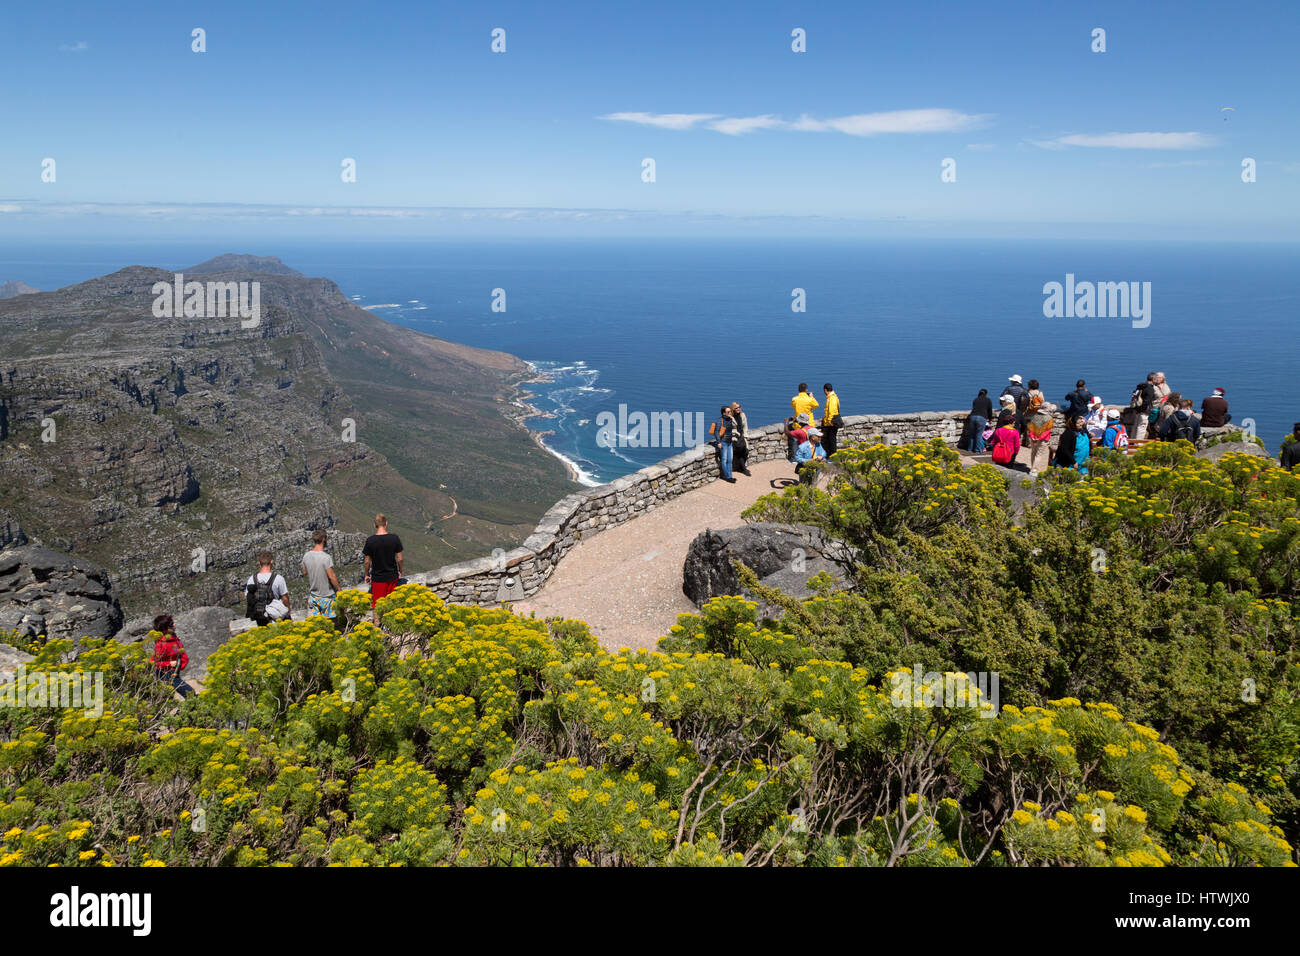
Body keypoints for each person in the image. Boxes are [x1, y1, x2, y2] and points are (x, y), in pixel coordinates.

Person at [363, 514, 404, 612]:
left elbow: (367, 561)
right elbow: (400, 559)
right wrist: (400, 571)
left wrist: (366, 574)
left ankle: (377, 625)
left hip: (378, 579)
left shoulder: (370, 541)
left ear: (374, 525)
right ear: (386, 524)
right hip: (392, 577)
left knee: (377, 606)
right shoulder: (394, 538)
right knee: (393, 605)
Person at [149, 614, 195, 698]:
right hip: (168, 674)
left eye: (173, 623)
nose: (174, 625)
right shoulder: (162, 644)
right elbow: (153, 662)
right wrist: (169, 663)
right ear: (165, 629)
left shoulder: (173, 637)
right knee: (190, 694)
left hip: (175, 672)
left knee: (170, 697)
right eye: (171, 624)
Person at [302, 529, 341, 619]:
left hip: (314, 597)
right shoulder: (326, 557)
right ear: (324, 539)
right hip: (327, 597)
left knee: (318, 625)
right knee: (329, 624)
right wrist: (339, 590)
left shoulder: (306, 556)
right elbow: (332, 576)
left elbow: (304, 572)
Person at [245, 552, 290, 626]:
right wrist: (288, 611)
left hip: (259, 619)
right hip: (275, 617)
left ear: (259, 563)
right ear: (271, 562)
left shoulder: (252, 579)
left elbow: (248, 597)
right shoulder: (278, 578)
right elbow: (285, 598)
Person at [1026, 403, 1053, 476]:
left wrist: (1032, 437)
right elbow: (1047, 431)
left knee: (1033, 453)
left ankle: (1032, 468)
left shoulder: (1035, 416)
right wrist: (1039, 439)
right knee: (1039, 455)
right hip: (1042, 440)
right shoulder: (1049, 418)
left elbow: (1030, 428)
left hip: (1033, 438)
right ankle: (1034, 470)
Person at [729, 402, 752, 476]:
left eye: (739, 407)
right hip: (734, 438)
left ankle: (741, 468)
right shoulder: (730, 417)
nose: (738, 409)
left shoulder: (743, 415)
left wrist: (745, 436)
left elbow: (745, 426)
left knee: (746, 451)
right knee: (740, 451)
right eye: (736, 408)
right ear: (733, 409)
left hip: (742, 436)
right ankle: (744, 469)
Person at [820, 383, 841, 458]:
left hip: (831, 423)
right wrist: (823, 419)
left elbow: (831, 411)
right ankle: (830, 456)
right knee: (830, 440)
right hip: (831, 422)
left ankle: (833, 457)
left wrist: (829, 421)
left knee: (831, 440)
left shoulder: (831, 398)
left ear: (825, 390)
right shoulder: (833, 397)